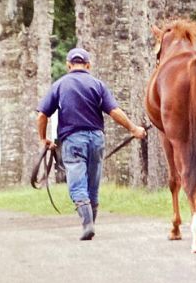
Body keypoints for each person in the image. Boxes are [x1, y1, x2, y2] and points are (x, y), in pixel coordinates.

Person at [36, 47, 147, 240]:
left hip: (72, 140)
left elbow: (42, 115)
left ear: (69, 65)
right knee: (93, 184)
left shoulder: (60, 85)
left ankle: (87, 224)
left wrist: (43, 138)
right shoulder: (97, 85)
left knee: (77, 182)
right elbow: (114, 112)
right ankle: (91, 223)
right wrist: (133, 129)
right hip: (96, 139)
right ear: (88, 65)